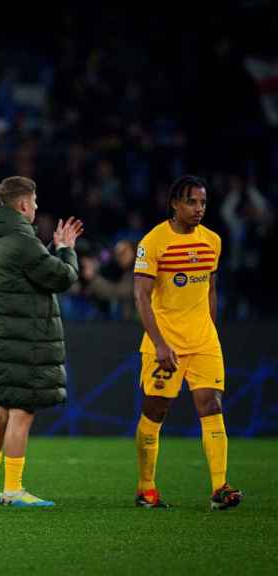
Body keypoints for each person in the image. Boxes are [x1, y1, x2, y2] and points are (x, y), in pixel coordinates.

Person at [132, 175, 241, 510]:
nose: (198, 209)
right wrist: (160, 344)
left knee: (212, 406)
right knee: (156, 410)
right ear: (174, 204)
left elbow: (210, 288)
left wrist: (210, 328)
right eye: (191, 202)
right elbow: (140, 295)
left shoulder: (213, 241)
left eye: (203, 202)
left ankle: (220, 487)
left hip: (204, 341)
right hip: (165, 343)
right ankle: (146, 488)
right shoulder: (153, 242)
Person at [0, 176, 82, 507]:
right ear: (23, 205)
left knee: (2, 413)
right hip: (22, 341)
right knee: (22, 413)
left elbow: (27, 271)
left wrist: (51, 249)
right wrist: (66, 251)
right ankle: (14, 490)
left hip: (1, 339)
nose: (36, 207)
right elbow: (61, 277)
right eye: (34, 202)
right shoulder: (21, 239)